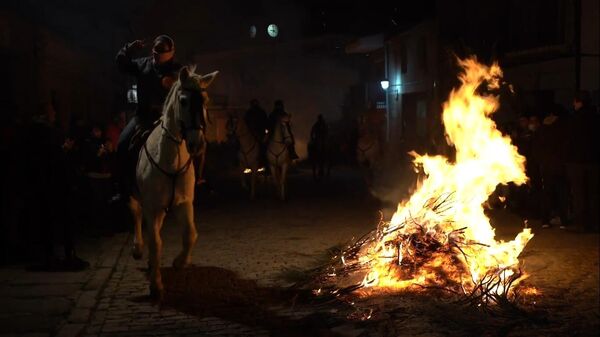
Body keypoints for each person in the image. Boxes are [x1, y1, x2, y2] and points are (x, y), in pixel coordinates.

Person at [114, 35, 182, 198]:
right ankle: (123, 188)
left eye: (162, 54)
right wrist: (128, 49)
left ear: (171, 53)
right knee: (123, 143)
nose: (158, 57)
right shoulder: (143, 64)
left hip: (167, 120)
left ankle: (196, 180)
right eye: (156, 53)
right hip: (142, 118)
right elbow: (121, 64)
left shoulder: (178, 71)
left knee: (194, 140)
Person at [565, 90, 600, 232]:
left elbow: (569, 141)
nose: (573, 104)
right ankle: (595, 223)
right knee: (593, 193)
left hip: (577, 162)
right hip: (594, 161)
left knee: (579, 193)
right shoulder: (597, 117)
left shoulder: (575, 119)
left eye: (574, 101)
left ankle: (582, 224)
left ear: (579, 102)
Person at [532, 104, 568, 229]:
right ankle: (563, 220)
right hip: (560, 166)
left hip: (546, 166)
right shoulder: (563, 129)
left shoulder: (542, 130)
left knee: (547, 193)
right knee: (562, 193)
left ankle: (545, 220)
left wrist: (541, 162)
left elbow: (536, 149)